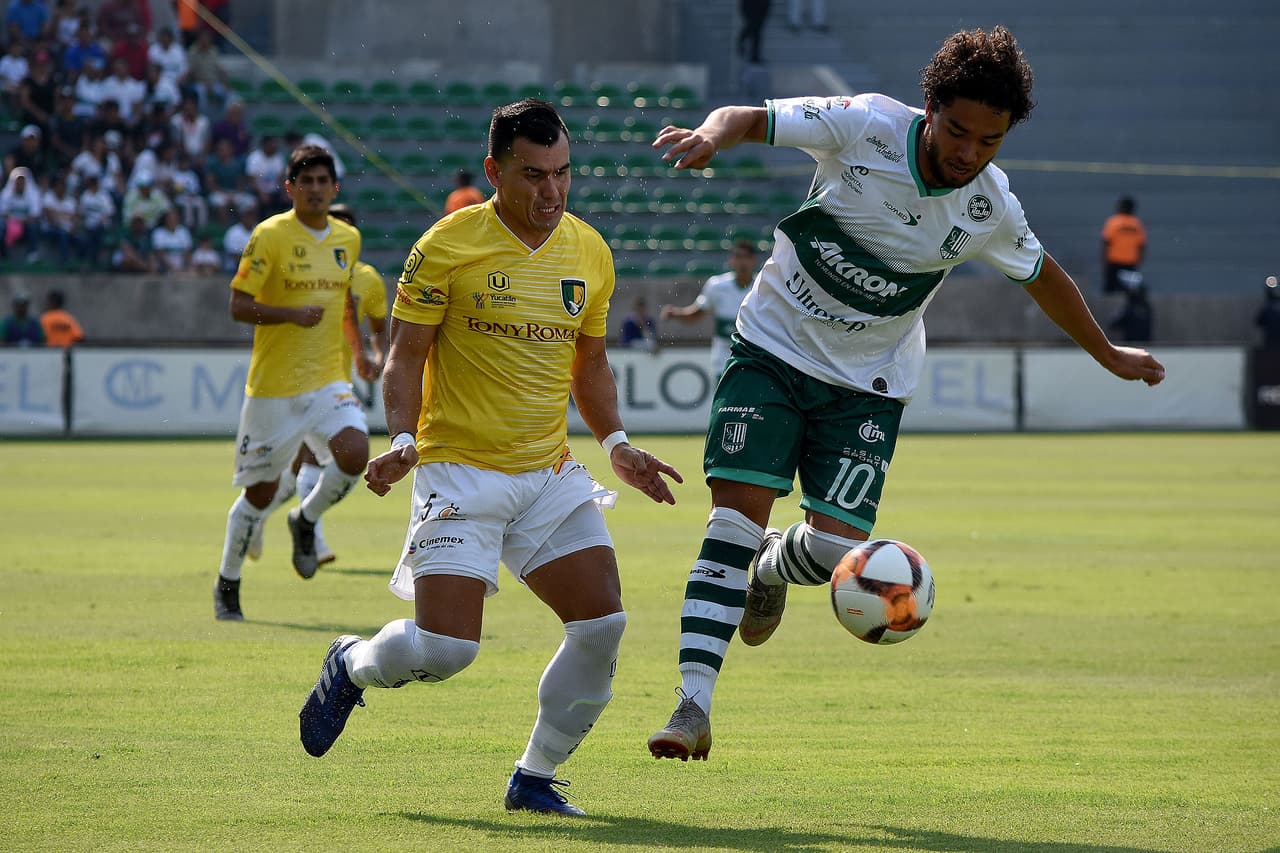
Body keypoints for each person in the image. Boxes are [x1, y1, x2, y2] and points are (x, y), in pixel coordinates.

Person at [643, 26, 1167, 762]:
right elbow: (751, 117)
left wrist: (1107, 352)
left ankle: (770, 566)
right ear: (929, 107)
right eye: (958, 131)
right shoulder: (863, 124)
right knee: (731, 519)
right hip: (772, 347)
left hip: (868, 382)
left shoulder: (987, 206)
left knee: (833, 551)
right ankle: (692, 703)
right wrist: (709, 134)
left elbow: (1044, 275)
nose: (969, 153)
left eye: (989, 141)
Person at [295, 99, 683, 817]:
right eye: (534, 175)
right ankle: (350, 663)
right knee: (446, 650)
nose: (552, 192)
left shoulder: (589, 250)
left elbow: (590, 363)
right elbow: (404, 356)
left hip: (548, 473)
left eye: (564, 173)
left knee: (603, 625)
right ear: (493, 172)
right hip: (457, 470)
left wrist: (618, 443)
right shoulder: (446, 244)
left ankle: (534, 777)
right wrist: (402, 439)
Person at [213, 144, 373, 621]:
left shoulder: (348, 240)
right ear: (291, 189)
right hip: (273, 389)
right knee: (259, 494)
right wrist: (289, 315)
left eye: (324, 182)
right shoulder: (269, 235)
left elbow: (344, 306)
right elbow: (239, 305)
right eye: (307, 182)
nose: (316, 189)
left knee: (355, 453)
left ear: (335, 188)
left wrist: (360, 350)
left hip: (327, 380)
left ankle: (305, 519)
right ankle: (228, 583)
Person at [246, 202, 388, 567]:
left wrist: (376, 357)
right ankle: (309, 534)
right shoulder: (301, 273)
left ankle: (259, 519)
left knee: (299, 472)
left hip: (333, 380)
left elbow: (378, 329)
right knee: (310, 462)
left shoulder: (368, 279)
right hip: (293, 380)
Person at [661, 238, 758, 378]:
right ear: (731, 260)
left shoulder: (762, 287)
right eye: (738, 256)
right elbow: (697, 313)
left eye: (746, 257)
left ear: (753, 260)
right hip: (724, 360)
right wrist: (677, 313)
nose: (742, 262)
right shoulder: (717, 286)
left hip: (753, 359)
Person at [1101, 195, 1146, 294]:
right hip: (1131, 263)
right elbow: (1142, 245)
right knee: (1130, 290)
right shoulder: (1137, 224)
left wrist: (1104, 261)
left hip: (1114, 262)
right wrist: (1139, 260)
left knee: (1110, 290)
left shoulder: (1113, 222)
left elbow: (1106, 242)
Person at [738, 0, 770, 64]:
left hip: (761, 5)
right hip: (752, 5)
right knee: (754, 28)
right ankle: (754, 55)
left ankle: (755, 55)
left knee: (756, 30)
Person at [1256, 276, 1280, 349]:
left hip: (1270, 340)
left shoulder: (1267, 310)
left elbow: (1259, 322)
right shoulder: (1268, 311)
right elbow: (1259, 322)